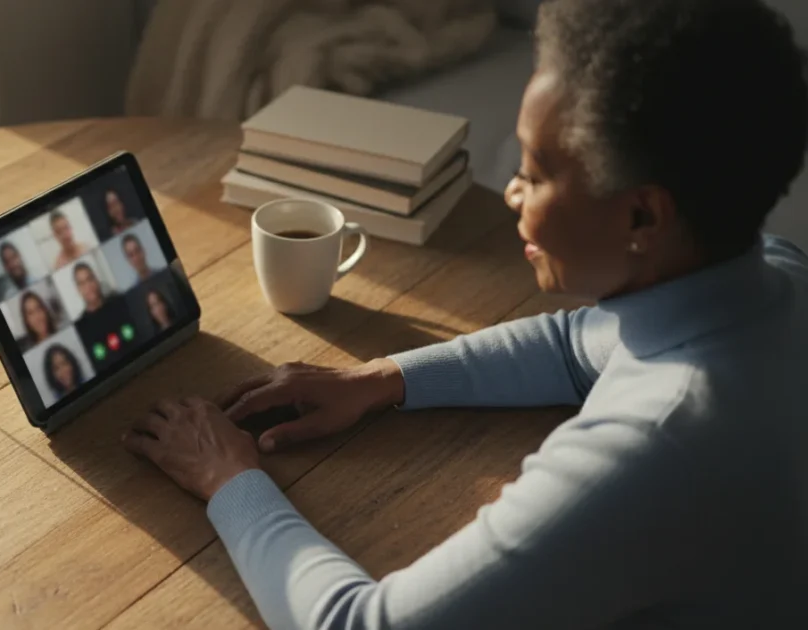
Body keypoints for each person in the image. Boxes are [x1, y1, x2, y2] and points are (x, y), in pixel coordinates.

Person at [121, 1, 808, 628]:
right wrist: (382, 379)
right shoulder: (774, 271)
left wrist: (229, 478)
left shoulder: (657, 449)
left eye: (536, 173)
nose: (510, 191)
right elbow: (578, 347)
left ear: (642, 215)